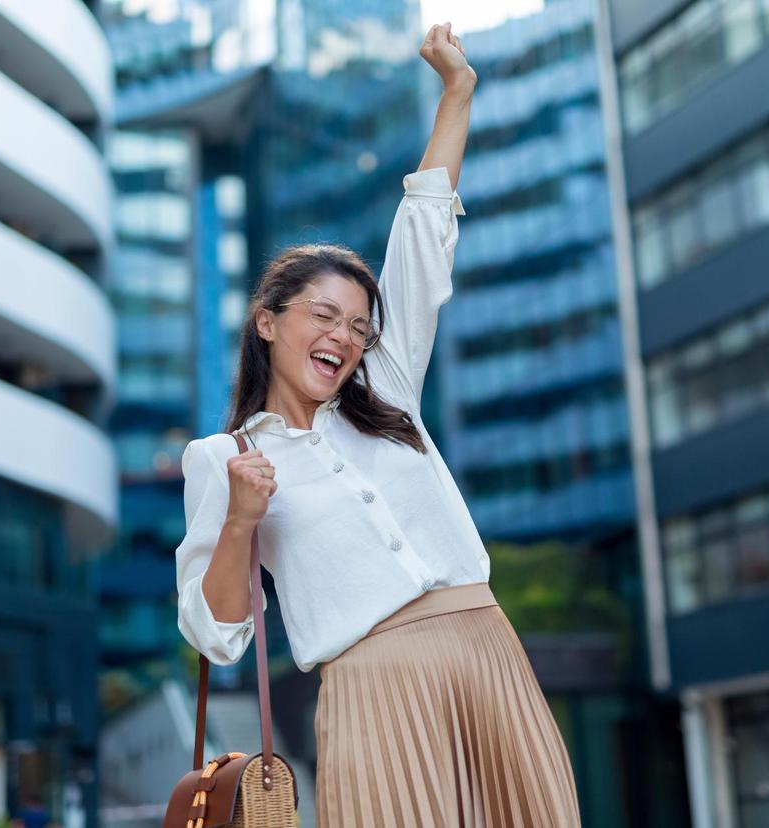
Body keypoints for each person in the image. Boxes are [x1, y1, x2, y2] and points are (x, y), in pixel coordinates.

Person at [175, 20, 582, 827]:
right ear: (268, 321)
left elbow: (425, 230)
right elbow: (216, 637)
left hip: (483, 650)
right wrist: (241, 524)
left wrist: (457, 93)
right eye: (323, 316)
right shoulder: (224, 458)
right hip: (370, 685)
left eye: (359, 326)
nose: (344, 338)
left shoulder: (386, 392)